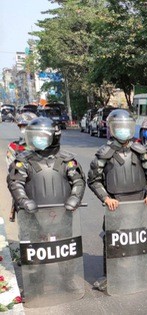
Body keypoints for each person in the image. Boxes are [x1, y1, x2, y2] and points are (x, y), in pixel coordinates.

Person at [7, 117, 86, 296]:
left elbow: (78, 181)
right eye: (35, 136)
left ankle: (67, 279)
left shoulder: (67, 160)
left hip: (62, 212)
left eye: (42, 136)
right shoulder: (23, 161)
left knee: (65, 249)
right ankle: (35, 286)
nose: (38, 139)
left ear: (53, 136)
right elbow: (15, 183)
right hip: (33, 214)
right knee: (35, 251)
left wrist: (75, 197)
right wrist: (24, 201)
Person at [87, 109, 147, 290]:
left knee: (140, 238)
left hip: (139, 202)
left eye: (126, 127)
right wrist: (106, 198)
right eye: (119, 127)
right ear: (112, 128)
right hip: (115, 205)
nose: (123, 131)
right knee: (112, 239)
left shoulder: (140, 151)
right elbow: (94, 180)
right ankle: (109, 275)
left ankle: (140, 269)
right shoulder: (104, 154)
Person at [6, 112, 38, 222]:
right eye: (23, 126)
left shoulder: (45, 144)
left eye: (28, 126)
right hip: (25, 186)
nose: (25, 129)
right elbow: (11, 172)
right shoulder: (14, 147)